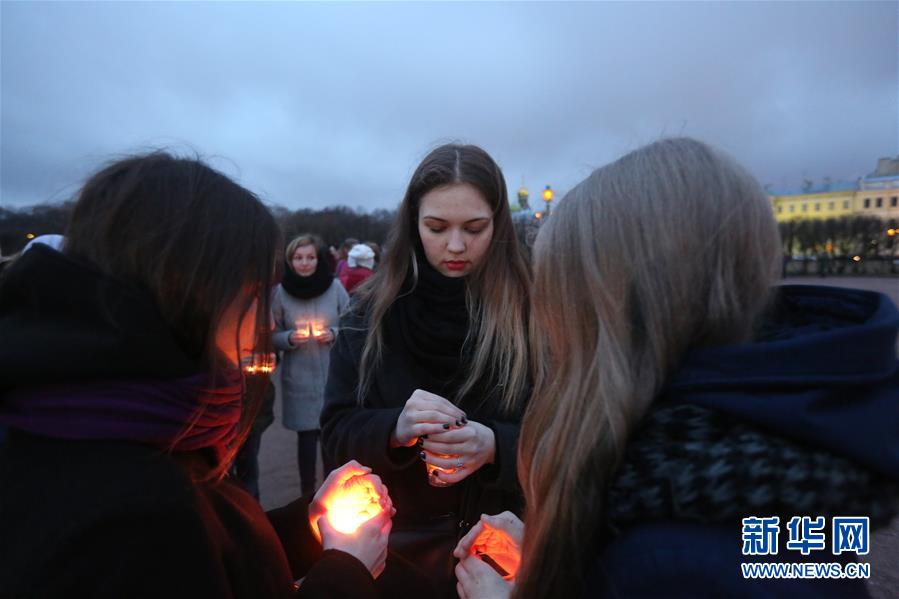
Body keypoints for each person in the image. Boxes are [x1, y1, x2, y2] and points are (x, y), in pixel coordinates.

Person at [454, 138, 899, 598]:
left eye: (556, 292)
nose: (546, 320)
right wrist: (562, 557)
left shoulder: (677, 555)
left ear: (612, 308)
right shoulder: (764, 452)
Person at [0, 153, 393, 597]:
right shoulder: (131, 504)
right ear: (195, 294)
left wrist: (309, 524)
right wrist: (347, 573)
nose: (261, 324)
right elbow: (176, 544)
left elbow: (207, 553)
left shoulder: (115, 415)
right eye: (251, 294)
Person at [321, 143, 532, 598]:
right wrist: (393, 427)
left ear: (499, 226)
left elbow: (571, 438)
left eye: (474, 228)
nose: (455, 246)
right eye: (437, 228)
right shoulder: (369, 312)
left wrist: (496, 444)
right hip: (392, 560)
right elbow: (335, 433)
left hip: (501, 559)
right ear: (413, 225)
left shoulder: (534, 312)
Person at [273, 234, 350, 497]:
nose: (304, 263)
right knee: (306, 442)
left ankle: (334, 498)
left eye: (310, 257)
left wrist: (334, 333)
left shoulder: (335, 287)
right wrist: (288, 338)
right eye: (298, 258)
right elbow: (271, 334)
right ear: (290, 260)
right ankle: (307, 498)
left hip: (333, 375)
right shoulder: (281, 293)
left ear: (318, 259)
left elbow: (351, 325)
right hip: (300, 377)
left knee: (331, 439)